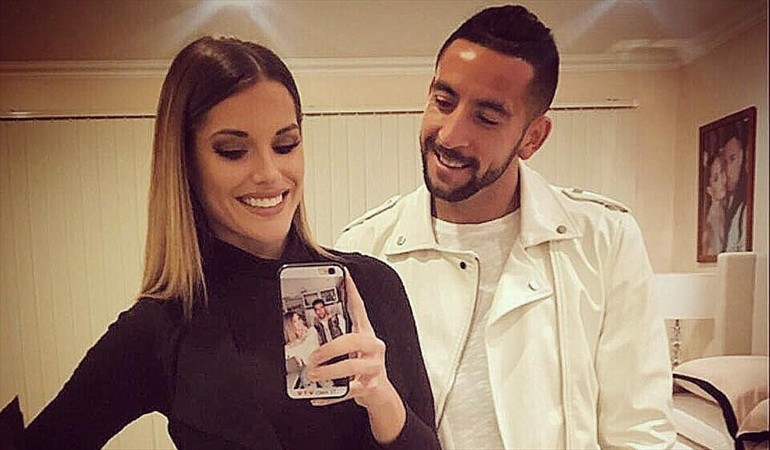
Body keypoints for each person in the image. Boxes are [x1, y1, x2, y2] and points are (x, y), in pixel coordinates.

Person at [12, 36, 439, 450]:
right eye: (233, 151)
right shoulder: (162, 326)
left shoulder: (372, 286)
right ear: (186, 163)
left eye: (285, 145)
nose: (269, 173)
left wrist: (382, 399)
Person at [336, 5, 676, 449]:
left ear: (533, 137)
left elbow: (640, 432)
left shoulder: (604, 240)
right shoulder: (363, 249)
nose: (450, 135)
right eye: (443, 102)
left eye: (487, 117)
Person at [722, 124, 750, 252]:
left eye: (732, 159)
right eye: (725, 162)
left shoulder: (746, 211)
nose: (727, 170)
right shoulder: (736, 210)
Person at [282, 311, 324, 389]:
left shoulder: (311, 332)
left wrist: (295, 349)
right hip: (307, 378)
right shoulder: (288, 347)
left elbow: (309, 350)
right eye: (294, 321)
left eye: (299, 319)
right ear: (289, 326)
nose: (299, 322)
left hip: (320, 371)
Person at [702, 150, 728, 254]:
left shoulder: (727, 209)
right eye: (716, 179)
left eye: (722, 172)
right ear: (709, 189)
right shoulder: (713, 218)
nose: (723, 180)